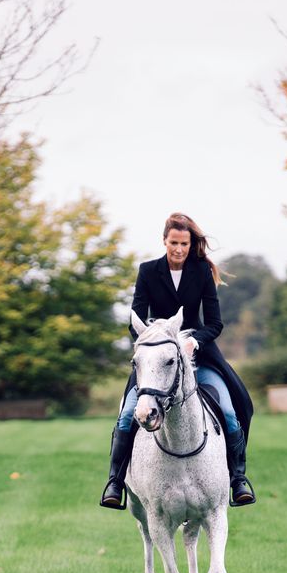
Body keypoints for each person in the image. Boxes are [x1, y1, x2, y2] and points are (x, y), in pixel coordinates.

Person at [100, 212, 256, 509]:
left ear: (189, 243)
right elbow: (135, 319)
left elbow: (215, 323)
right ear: (164, 241)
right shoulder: (147, 271)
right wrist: (157, 338)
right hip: (157, 360)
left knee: (231, 409)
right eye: (174, 243)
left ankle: (237, 478)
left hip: (199, 357)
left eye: (184, 243)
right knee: (126, 415)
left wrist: (194, 340)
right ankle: (115, 482)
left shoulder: (201, 272)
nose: (179, 249)